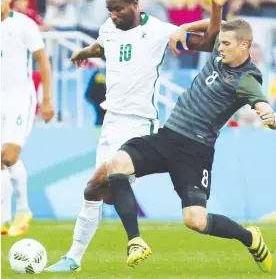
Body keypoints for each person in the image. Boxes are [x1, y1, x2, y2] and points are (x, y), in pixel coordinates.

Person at [45, 0, 232, 272]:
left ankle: (130, 241)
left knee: (99, 185)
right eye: (109, 10)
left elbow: (208, 43)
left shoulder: (157, 30)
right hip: (110, 123)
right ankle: (74, 259)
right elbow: (104, 45)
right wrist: (86, 52)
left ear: (135, 4)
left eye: (118, 9)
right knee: (92, 191)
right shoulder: (109, 27)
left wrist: (215, 8)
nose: (113, 15)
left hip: (138, 126)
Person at [83, 19, 275, 271]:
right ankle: (135, 241)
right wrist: (185, 27)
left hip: (195, 153)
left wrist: (268, 113)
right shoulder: (224, 48)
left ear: (244, 45)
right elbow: (218, 23)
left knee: (195, 220)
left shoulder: (247, 78)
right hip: (167, 137)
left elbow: (260, 101)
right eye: (222, 42)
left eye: (227, 44)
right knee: (117, 163)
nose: (220, 47)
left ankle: (250, 238)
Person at [1, 0, 55, 237]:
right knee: (0, 161)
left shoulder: (23, 24)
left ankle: (23, 208)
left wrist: (47, 100)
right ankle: (3, 217)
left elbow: (43, 62)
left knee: (9, 156)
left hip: (20, 98)